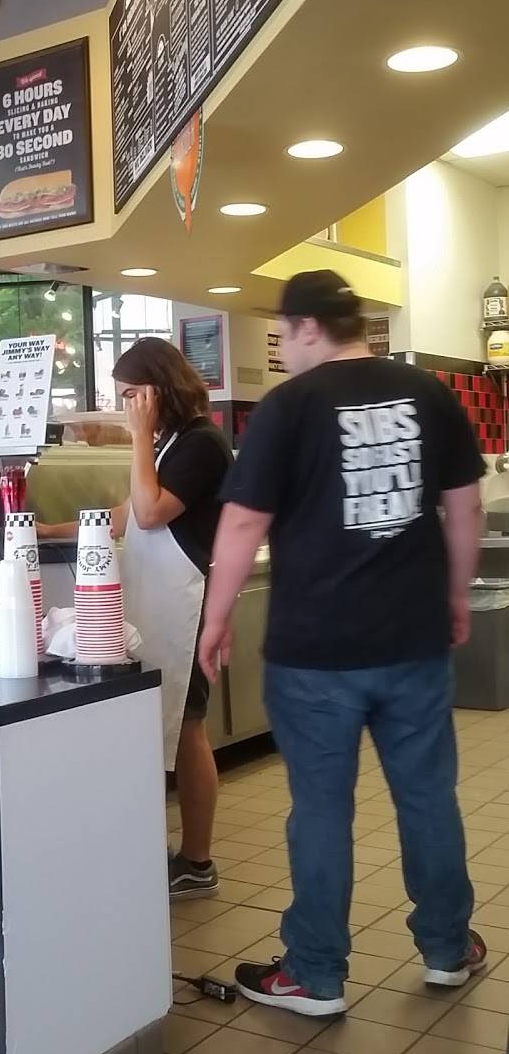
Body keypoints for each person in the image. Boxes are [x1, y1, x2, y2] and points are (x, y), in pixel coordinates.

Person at [199, 270, 486, 1016]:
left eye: (282, 332)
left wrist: (216, 617)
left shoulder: (288, 406)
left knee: (322, 809)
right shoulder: (428, 394)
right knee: (428, 797)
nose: (282, 345)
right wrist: (456, 595)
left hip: (314, 651)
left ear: (306, 327)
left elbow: (243, 522)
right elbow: (465, 508)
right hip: (413, 640)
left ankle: (315, 974)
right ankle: (447, 949)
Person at [47, 337, 231, 895]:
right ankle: (171, 851)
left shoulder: (200, 443)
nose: (127, 406)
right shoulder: (171, 443)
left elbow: (150, 514)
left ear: (158, 388)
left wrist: (139, 437)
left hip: (187, 605)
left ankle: (197, 861)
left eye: (132, 395)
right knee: (167, 728)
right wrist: (47, 529)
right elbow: (126, 513)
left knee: (189, 728)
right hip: (159, 601)